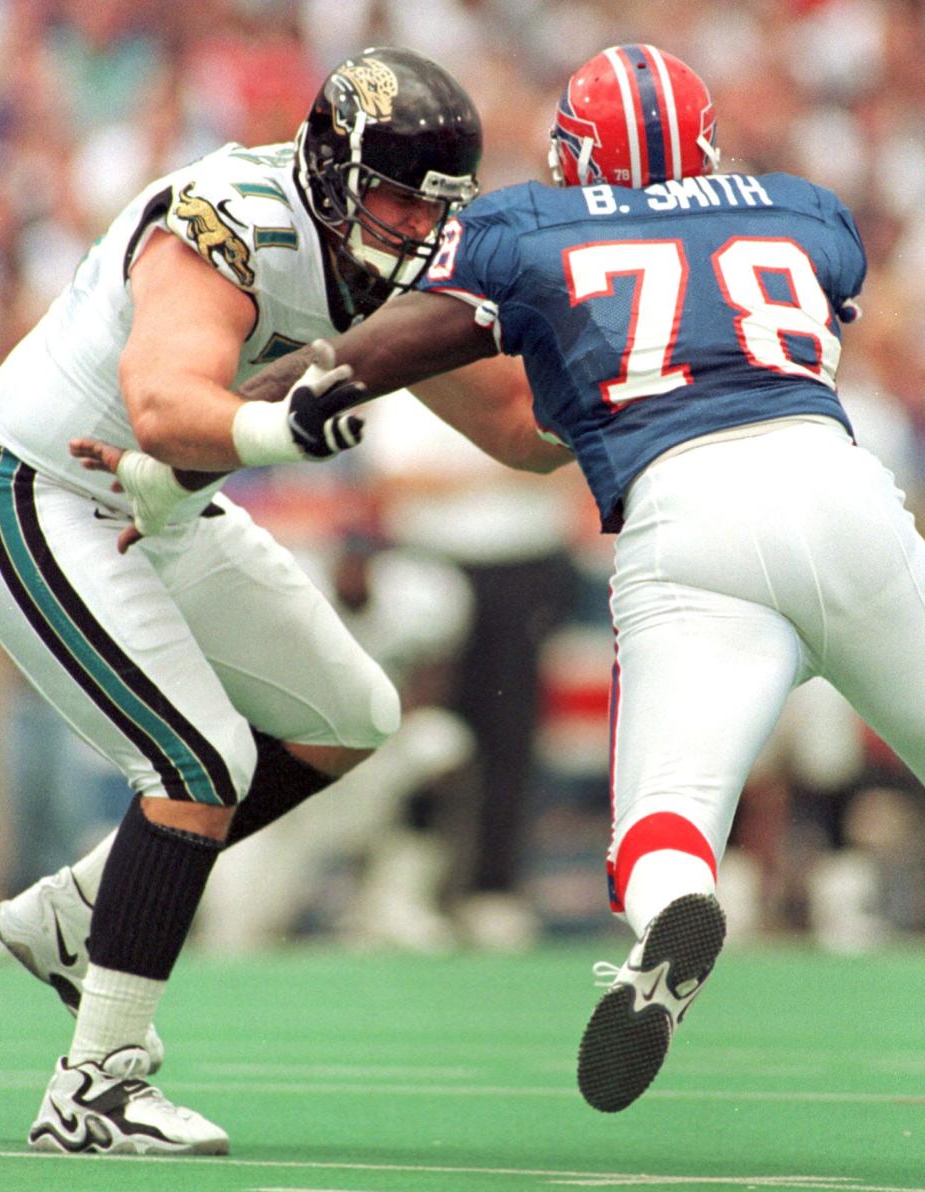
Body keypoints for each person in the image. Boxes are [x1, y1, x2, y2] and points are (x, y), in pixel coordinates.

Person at [96, 43, 925, 1115]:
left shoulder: (531, 227)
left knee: (662, 826)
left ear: (574, 152)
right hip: (841, 490)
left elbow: (379, 353)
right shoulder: (804, 210)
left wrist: (182, 454)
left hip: (686, 523)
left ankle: (672, 921)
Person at [0, 46, 570, 1156]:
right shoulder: (235, 212)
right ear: (335, 171)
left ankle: (74, 914)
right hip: (40, 487)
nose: (411, 226)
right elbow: (162, 405)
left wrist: (648, 385)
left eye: (434, 206)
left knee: (350, 712)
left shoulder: (393, 255)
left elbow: (518, 431)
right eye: (395, 196)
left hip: (157, 511)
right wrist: (273, 429)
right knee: (199, 762)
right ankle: (92, 1091)